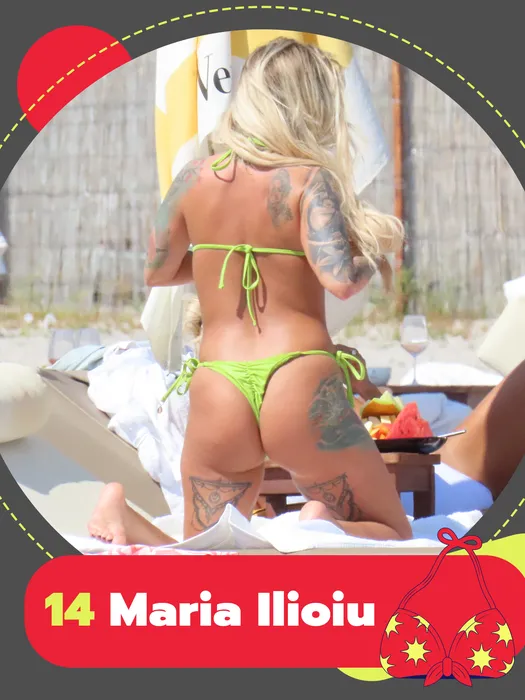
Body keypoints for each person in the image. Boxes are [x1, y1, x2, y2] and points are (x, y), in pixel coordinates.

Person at [140, 37, 414, 542]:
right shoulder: (309, 181)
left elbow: (158, 272)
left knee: (210, 554)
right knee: (391, 532)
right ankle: (321, 525)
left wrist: (220, 263)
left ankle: (122, 517)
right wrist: (372, 253)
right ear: (311, 104)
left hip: (219, 381)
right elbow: (340, 280)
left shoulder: (193, 178)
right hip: (298, 379)